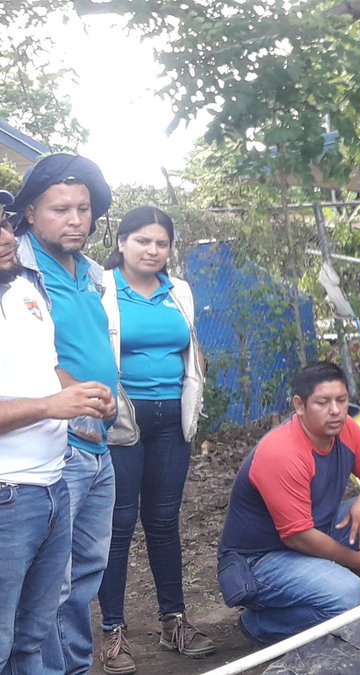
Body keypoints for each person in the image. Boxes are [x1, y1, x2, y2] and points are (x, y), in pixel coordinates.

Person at [12, 153, 122, 674]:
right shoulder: (20, 272)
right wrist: (75, 399)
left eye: (83, 209)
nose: (75, 220)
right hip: (55, 450)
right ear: (30, 213)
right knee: (49, 591)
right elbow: (35, 363)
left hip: (98, 443)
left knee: (85, 578)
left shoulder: (93, 273)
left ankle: (76, 668)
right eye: (60, 209)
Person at [95, 206, 213, 674]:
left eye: (161, 243)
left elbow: (190, 346)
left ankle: (174, 622)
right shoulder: (101, 288)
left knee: (164, 523)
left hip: (171, 424)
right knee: (118, 528)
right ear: (122, 242)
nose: (152, 250)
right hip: (121, 421)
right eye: (143, 240)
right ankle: (113, 632)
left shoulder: (178, 290)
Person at [217, 362, 360, 645]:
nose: (335, 410)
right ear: (299, 406)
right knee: (347, 591)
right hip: (261, 561)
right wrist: (355, 561)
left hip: (315, 535)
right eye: (323, 402)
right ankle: (262, 626)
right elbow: (298, 537)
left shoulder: (345, 430)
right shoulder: (282, 452)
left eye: (341, 400)